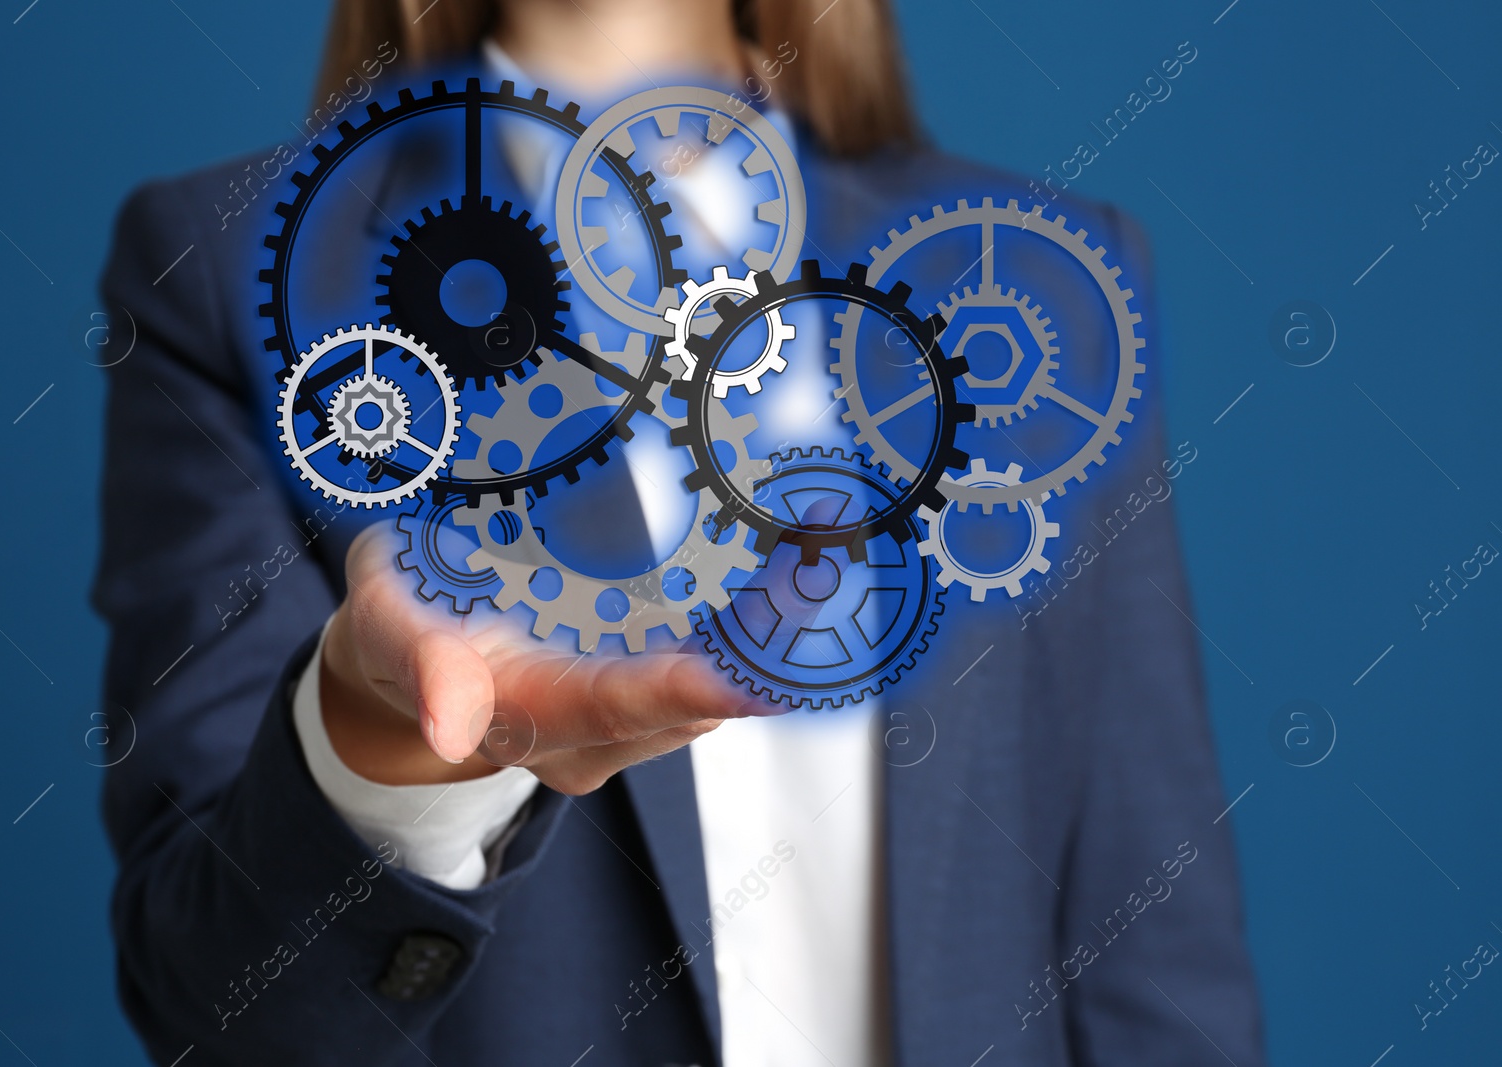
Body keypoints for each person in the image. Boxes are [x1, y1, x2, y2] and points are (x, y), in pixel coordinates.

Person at [94, 0, 1267, 1064]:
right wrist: (375, 746)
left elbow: (1153, 929)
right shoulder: (232, 268)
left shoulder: (1036, 281)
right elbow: (218, 1013)